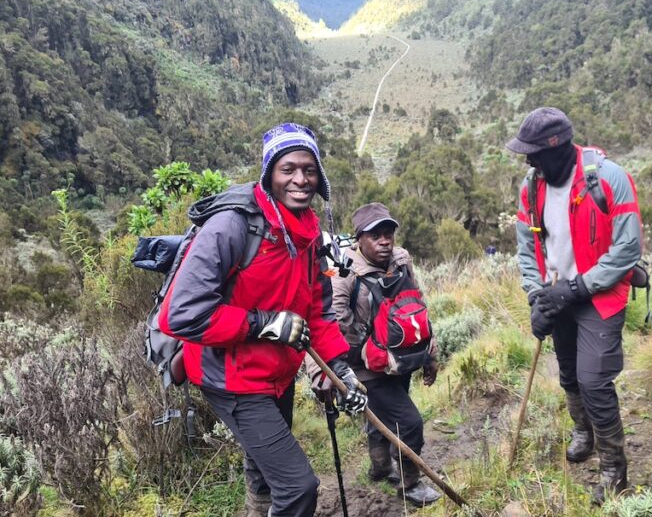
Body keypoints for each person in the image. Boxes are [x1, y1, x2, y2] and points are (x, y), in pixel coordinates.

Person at [160, 123, 368, 517]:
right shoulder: (232, 227)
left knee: (264, 470)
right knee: (298, 487)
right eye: (288, 168)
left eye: (309, 169)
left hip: (277, 372)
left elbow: (318, 312)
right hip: (231, 377)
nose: (300, 179)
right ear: (269, 172)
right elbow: (181, 314)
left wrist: (342, 372)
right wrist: (264, 324)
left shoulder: (309, 234)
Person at [507, 107, 643, 504]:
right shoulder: (532, 187)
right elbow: (527, 249)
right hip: (556, 293)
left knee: (594, 380)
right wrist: (536, 296)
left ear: (560, 146)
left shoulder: (608, 178)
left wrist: (578, 287)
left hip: (600, 296)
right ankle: (583, 430)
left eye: (535, 153)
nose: (529, 161)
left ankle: (614, 468)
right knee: (569, 374)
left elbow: (627, 249)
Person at [307, 202, 442, 507]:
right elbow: (331, 322)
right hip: (366, 366)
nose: (384, 241)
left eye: (388, 234)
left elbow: (417, 306)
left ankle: (381, 466)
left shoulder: (402, 262)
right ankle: (410, 484)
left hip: (400, 360)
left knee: (386, 416)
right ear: (359, 239)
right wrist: (336, 372)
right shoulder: (343, 273)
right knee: (409, 423)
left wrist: (429, 354)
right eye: (375, 236)